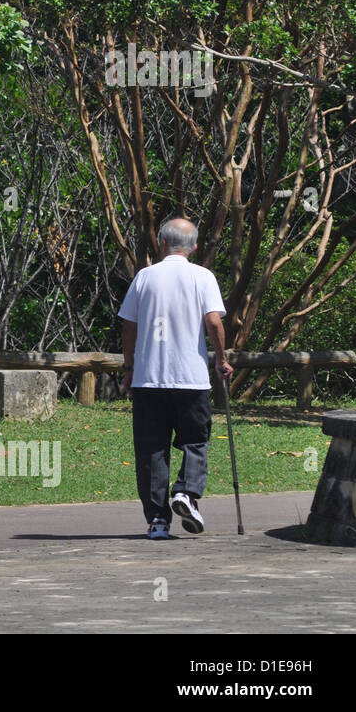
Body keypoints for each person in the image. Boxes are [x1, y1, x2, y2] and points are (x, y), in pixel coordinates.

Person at [118, 218, 234, 539]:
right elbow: (213, 322)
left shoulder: (144, 277)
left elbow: (128, 326)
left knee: (152, 449)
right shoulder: (202, 277)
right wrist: (221, 358)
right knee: (196, 441)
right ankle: (186, 492)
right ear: (194, 246)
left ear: (161, 243)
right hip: (191, 379)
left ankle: (157, 521)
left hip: (148, 380)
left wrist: (129, 369)